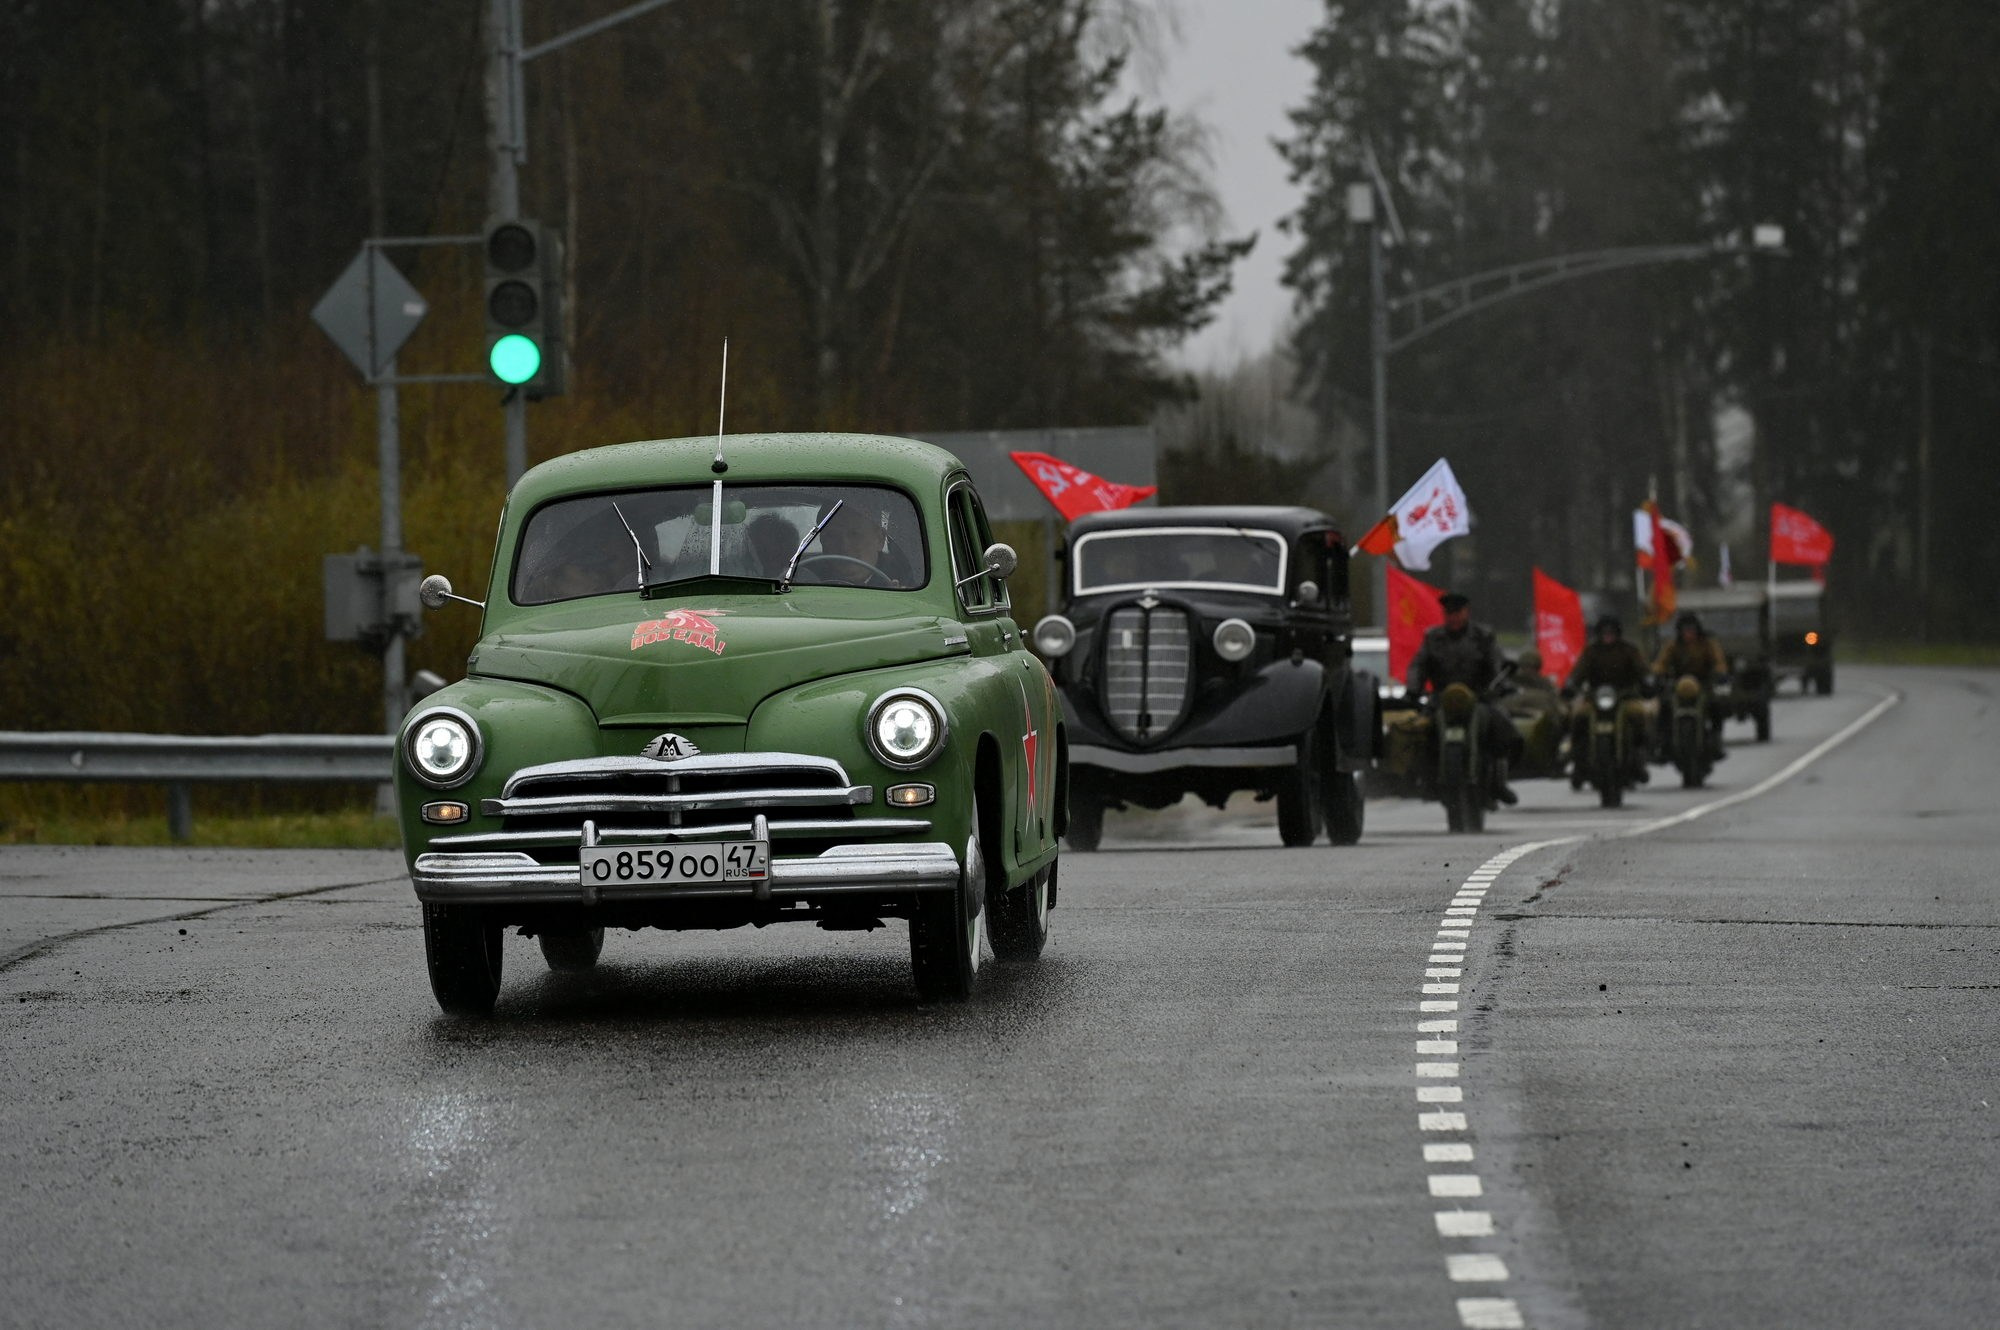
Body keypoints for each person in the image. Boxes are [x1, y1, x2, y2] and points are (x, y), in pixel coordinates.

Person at [1404, 591, 1522, 804]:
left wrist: (1502, 683)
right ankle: (1427, 780)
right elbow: (1418, 665)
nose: (1453, 617)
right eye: (1449, 613)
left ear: (1466, 612)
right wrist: (1413, 688)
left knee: (1505, 729)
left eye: (1457, 612)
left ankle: (1498, 781)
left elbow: (1496, 662)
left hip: (1479, 698)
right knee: (1419, 733)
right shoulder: (1433, 637)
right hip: (1441, 700)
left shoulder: (1483, 636)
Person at [1564, 614, 1654, 784]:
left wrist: (1648, 682)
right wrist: (1570, 685)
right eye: (1604, 633)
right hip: (1595, 699)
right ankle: (1578, 762)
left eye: (1611, 632)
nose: (1608, 636)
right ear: (1599, 633)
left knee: (1639, 716)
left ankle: (1639, 758)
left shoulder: (1629, 650)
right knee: (1578, 718)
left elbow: (1642, 670)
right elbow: (1578, 672)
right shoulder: (1591, 651)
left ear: (1617, 633)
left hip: (1625, 697)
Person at [1652, 611, 1730, 759]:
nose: (1688, 633)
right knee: (1664, 708)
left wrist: (1720, 673)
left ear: (1697, 630)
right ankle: (1663, 743)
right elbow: (1661, 663)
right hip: (1678, 686)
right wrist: (1657, 673)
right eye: (1685, 630)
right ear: (1679, 631)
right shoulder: (1672, 645)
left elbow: (1719, 661)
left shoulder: (1708, 644)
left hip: (1703, 684)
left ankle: (1716, 739)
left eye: (1691, 629)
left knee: (1716, 706)